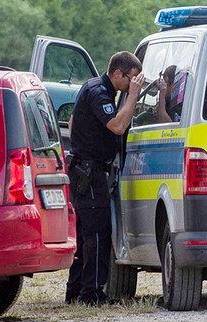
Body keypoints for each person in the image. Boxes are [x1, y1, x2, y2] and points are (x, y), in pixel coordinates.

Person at [65, 51, 145, 306]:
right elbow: (118, 127)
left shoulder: (97, 89)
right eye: (131, 79)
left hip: (85, 171)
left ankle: (76, 291)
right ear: (118, 73)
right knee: (97, 234)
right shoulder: (99, 92)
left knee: (85, 236)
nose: (134, 84)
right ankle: (92, 295)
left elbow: (72, 120)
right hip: (88, 173)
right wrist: (133, 96)